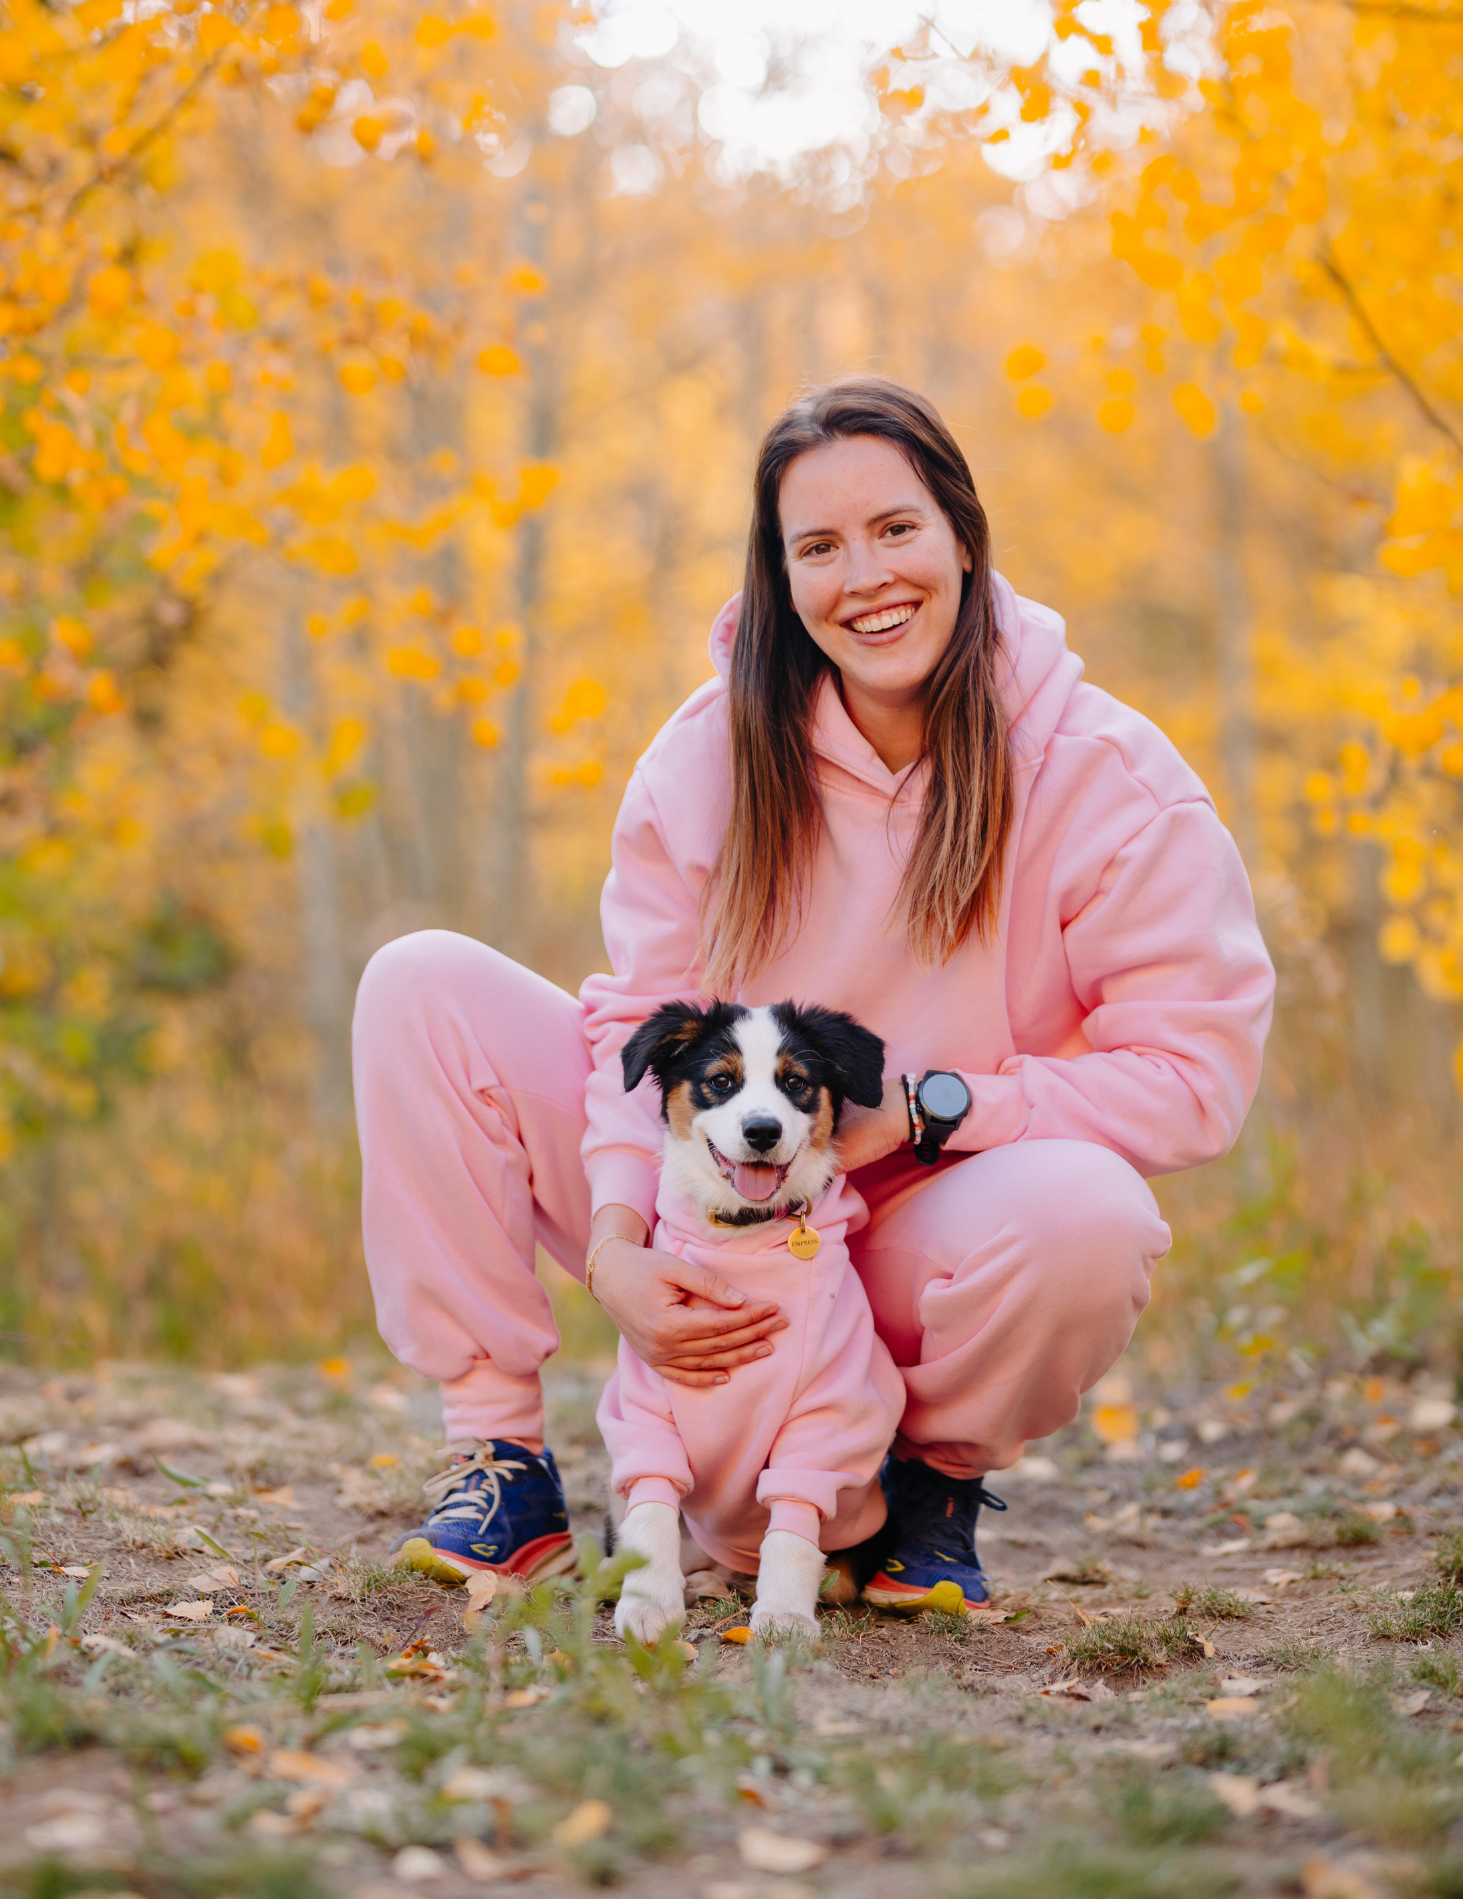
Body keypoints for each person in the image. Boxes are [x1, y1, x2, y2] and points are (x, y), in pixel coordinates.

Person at [351, 376, 1275, 1608]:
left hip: (909, 1236)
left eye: (896, 529)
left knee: (1088, 1218)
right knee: (421, 986)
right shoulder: (705, 756)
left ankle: (912, 1492)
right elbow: (637, 1025)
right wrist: (619, 1246)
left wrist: (938, 1108)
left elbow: (1192, 1079)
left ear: (960, 531)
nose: (866, 577)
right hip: (702, 1206)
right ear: (780, 577)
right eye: (818, 548)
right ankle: (499, 1459)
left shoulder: (1104, 776)